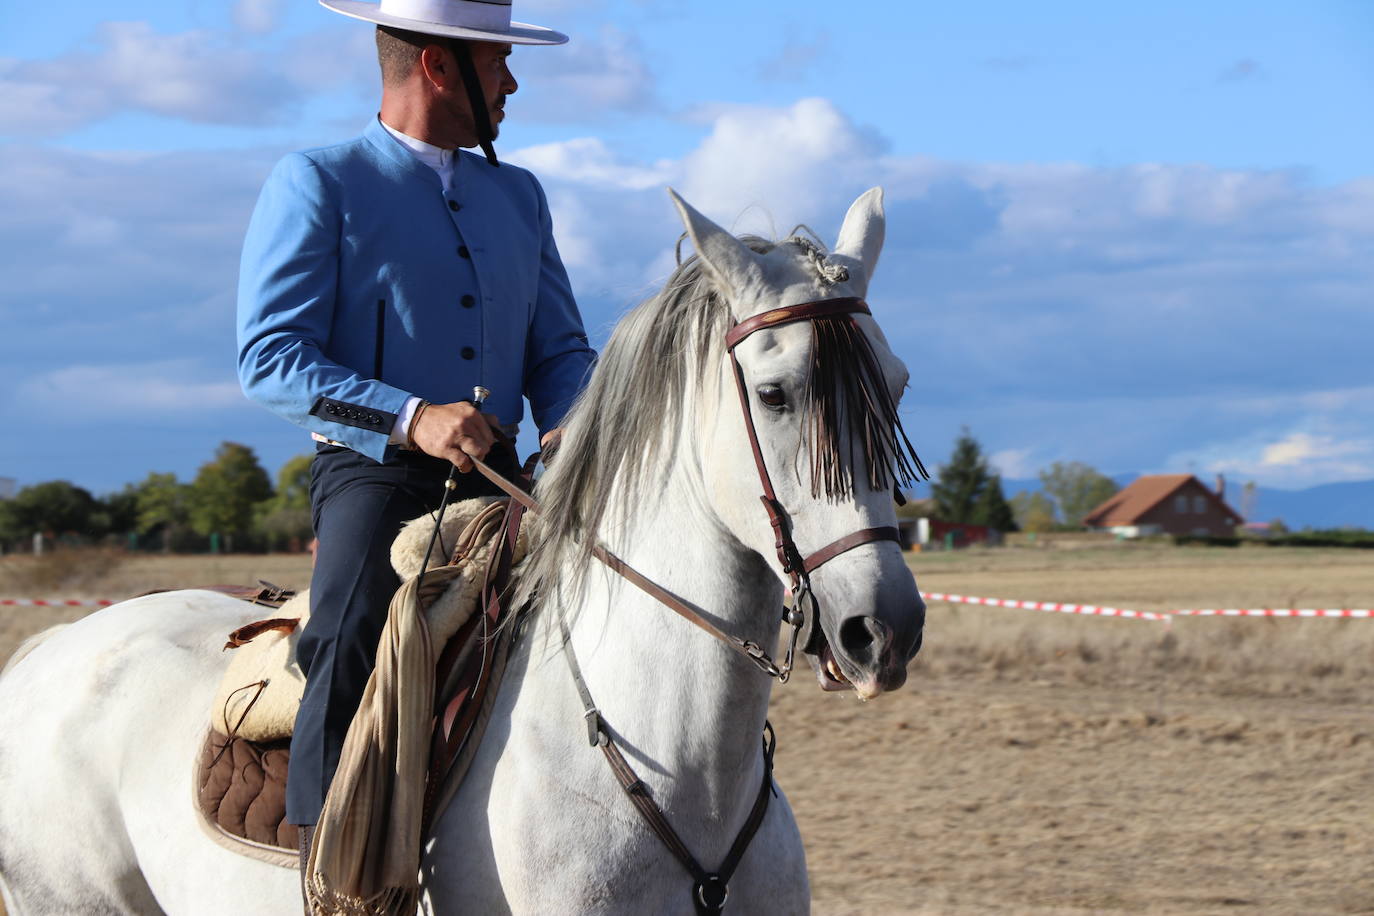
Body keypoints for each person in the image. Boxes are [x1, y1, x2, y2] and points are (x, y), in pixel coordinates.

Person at [234, 0, 595, 872]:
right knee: (352, 626)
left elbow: (561, 352)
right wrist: (412, 416)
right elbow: (270, 359)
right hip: (375, 475)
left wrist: (582, 431)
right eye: (498, 63)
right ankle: (333, 857)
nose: (511, 81)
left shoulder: (520, 193)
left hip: (509, 473)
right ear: (439, 66)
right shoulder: (319, 179)